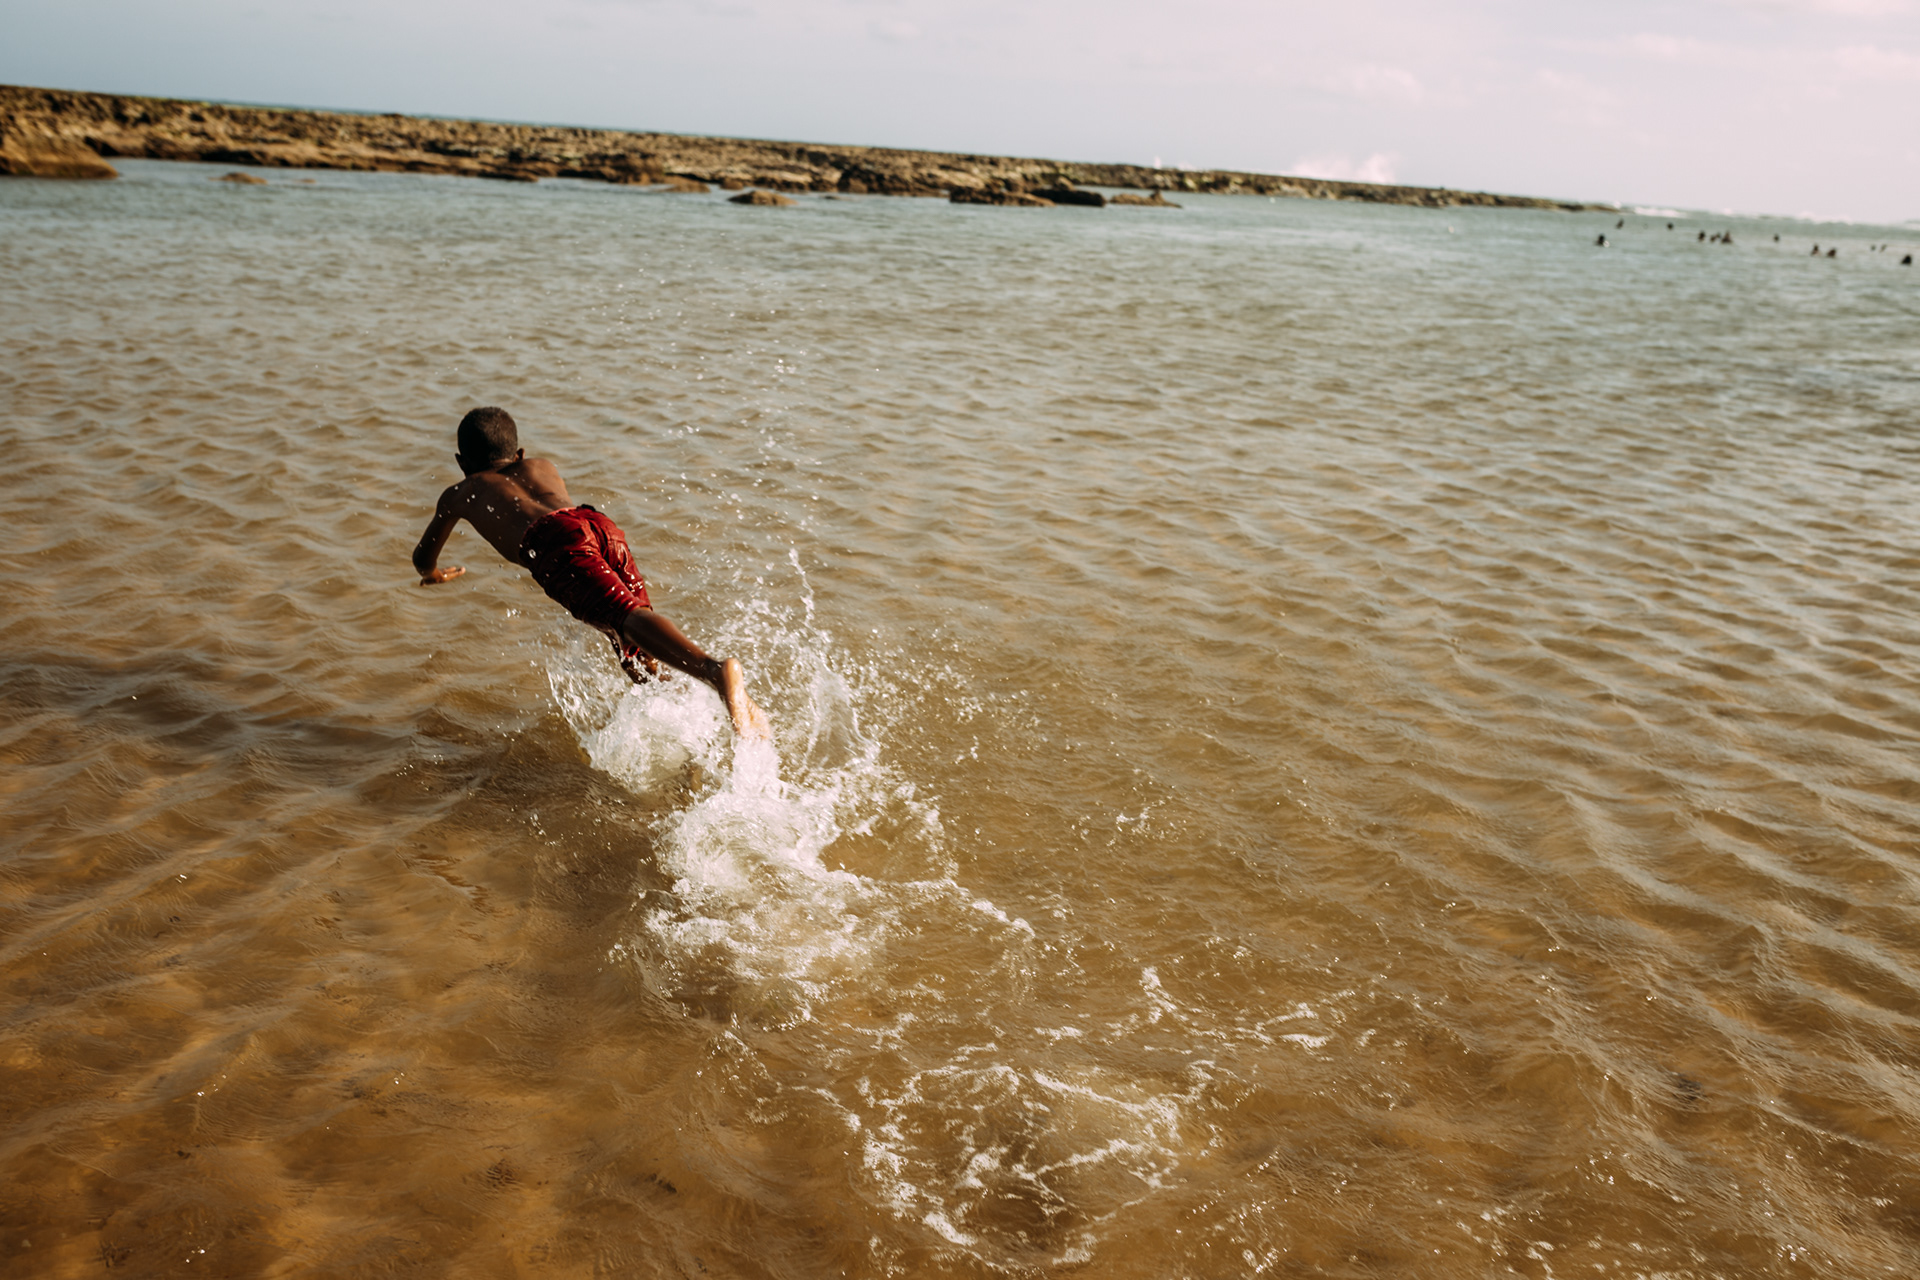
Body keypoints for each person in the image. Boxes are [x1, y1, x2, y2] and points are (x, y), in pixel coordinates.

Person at [411, 406, 771, 738]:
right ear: (519, 454)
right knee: (633, 645)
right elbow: (564, 517)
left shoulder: (460, 492)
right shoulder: (541, 465)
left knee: (626, 619)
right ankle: (704, 721)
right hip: (596, 523)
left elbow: (422, 558)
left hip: (553, 543)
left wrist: (433, 574)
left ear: (461, 462)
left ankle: (714, 671)